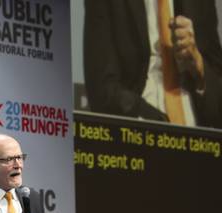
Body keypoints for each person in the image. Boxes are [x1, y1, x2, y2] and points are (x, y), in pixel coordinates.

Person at [83, 0, 222, 128]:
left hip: (201, 136)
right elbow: (102, 89)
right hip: (137, 130)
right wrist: (157, 122)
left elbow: (217, 90)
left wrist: (198, 65)